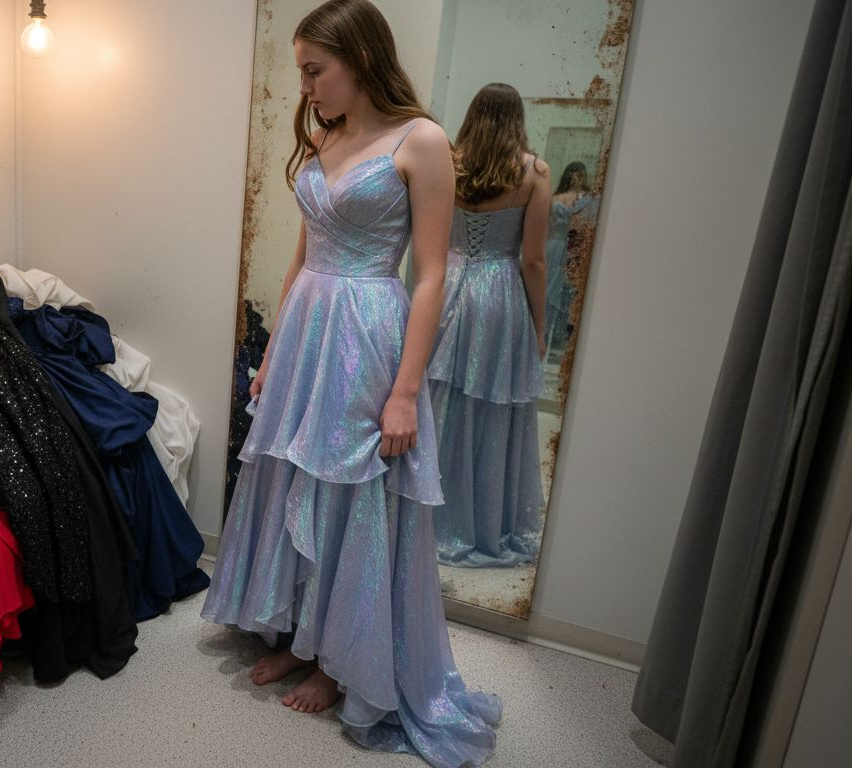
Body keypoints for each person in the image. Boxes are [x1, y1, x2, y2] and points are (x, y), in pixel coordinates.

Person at [200, 2, 500, 764]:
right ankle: (301, 636)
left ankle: (341, 663)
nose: (304, 87)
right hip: (308, 328)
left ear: (361, 59)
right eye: (301, 72)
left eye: (314, 70)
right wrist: (273, 348)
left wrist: (405, 391)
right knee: (295, 476)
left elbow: (430, 277)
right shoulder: (326, 135)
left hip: (367, 331)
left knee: (353, 491)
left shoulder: (421, 141)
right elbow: (303, 255)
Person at [426, 83, 550, 568]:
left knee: (441, 403)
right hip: (500, 296)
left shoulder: (448, 162)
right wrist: (539, 325)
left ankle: (429, 515)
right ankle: (480, 522)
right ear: (517, 119)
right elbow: (533, 260)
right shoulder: (534, 173)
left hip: (447, 286)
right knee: (492, 409)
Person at [545, 161, 593, 357]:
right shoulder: (558, 198)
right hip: (553, 245)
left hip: (567, 247)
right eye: (574, 174)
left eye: (579, 175)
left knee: (563, 288)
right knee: (548, 285)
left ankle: (554, 335)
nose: (576, 178)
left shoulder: (585, 200)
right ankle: (545, 332)